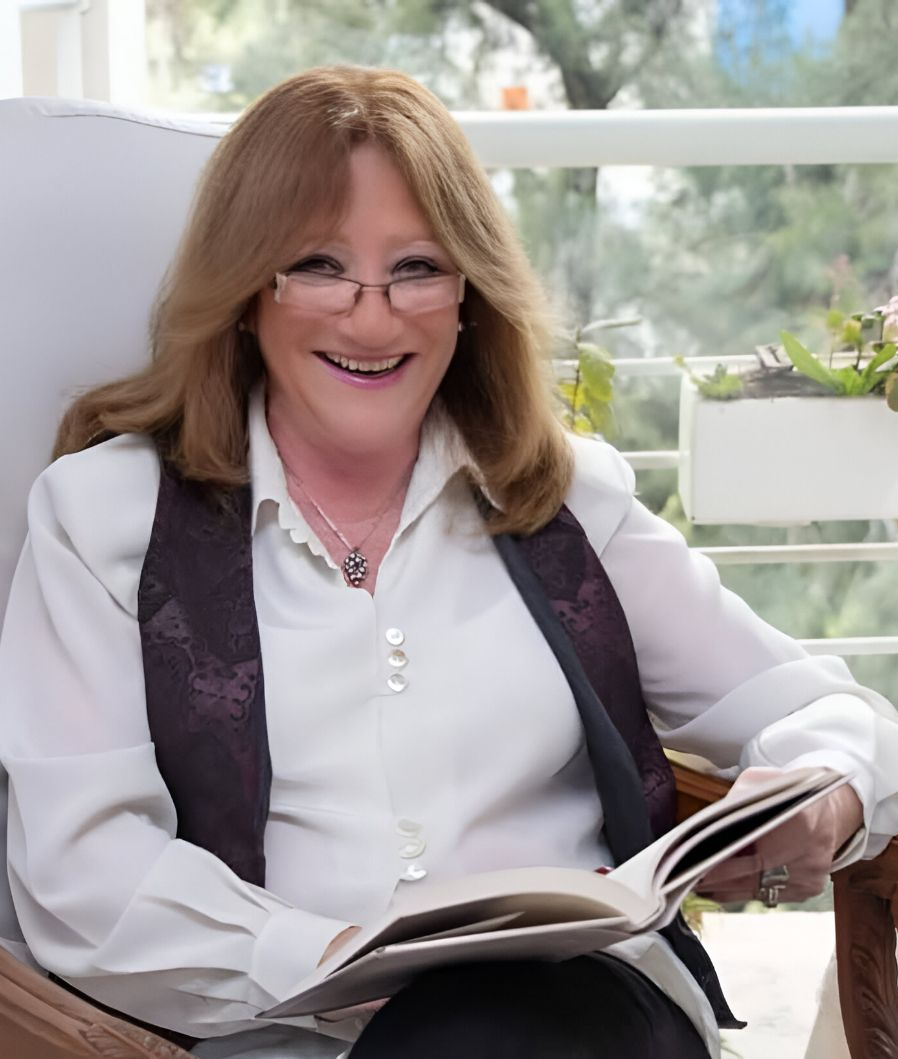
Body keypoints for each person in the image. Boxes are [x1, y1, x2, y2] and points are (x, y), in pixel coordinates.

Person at [0, 64, 896, 1059]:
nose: (373, 317)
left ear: (470, 293)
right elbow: (84, 877)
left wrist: (830, 792)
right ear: (246, 290)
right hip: (287, 1033)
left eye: (418, 268)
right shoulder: (104, 519)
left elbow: (826, 709)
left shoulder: (561, 502)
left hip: (590, 1017)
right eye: (319, 264)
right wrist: (340, 956)